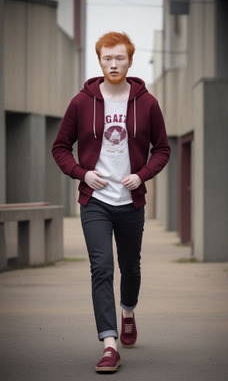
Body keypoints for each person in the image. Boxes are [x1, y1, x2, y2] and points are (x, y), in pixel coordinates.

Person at [52, 31, 170, 373]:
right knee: (101, 268)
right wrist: (81, 174)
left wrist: (143, 174)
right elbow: (60, 147)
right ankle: (109, 344)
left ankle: (128, 311)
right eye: (107, 58)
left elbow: (162, 148)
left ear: (130, 60)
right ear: (99, 60)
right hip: (96, 201)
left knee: (130, 265)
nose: (113, 63)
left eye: (119, 58)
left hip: (131, 201)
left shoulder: (147, 103)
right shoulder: (81, 101)